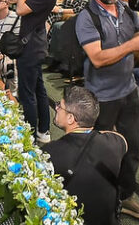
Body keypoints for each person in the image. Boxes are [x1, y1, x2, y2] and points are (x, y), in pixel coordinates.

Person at [76, 0, 139, 220]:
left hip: (128, 91)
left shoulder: (125, 9)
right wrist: (132, 45)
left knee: (132, 149)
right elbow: (98, 58)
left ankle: (125, 196)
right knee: (99, 152)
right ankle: (98, 199)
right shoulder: (86, 18)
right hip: (101, 95)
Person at [42, 86, 127, 225]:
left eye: (60, 106)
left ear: (71, 118)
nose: (56, 108)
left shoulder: (50, 153)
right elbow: (121, 138)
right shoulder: (115, 143)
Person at [6, 0, 58, 143]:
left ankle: (29, 135)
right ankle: (43, 130)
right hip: (31, 44)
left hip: (32, 47)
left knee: (27, 93)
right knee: (38, 89)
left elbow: (20, 10)